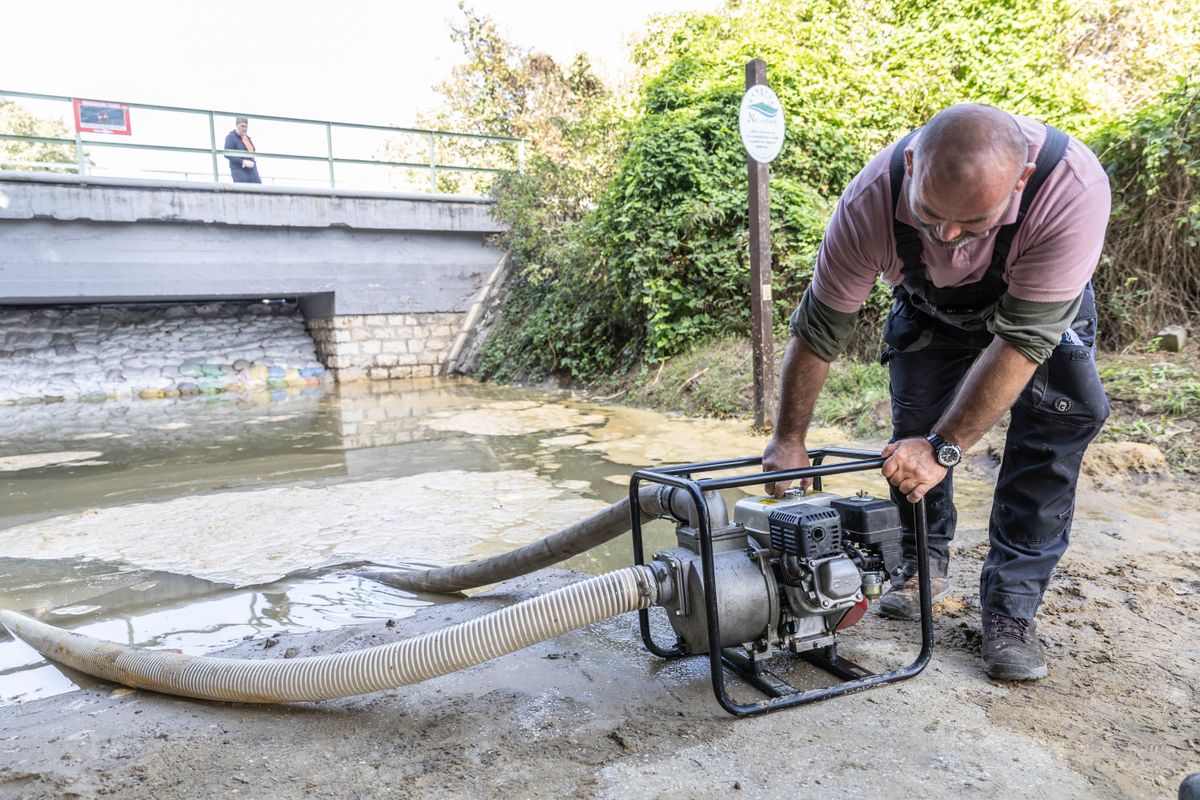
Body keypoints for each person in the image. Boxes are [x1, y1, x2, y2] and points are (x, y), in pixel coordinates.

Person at [762, 103, 1111, 681]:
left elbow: (1022, 341)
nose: (948, 238)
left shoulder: (1070, 188)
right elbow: (821, 328)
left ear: (1020, 181)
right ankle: (923, 564)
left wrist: (946, 447)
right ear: (911, 162)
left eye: (972, 224)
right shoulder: (871, 197)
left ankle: (1010, 609)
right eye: (928, 216)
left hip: (1034, 311)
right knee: (912, 431)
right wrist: (788, 438)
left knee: (1050, 438)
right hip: (929, 307)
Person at [223, 117, 261, 183]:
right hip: (240, 172)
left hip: (252, 172)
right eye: (242, 126)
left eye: (246, 127)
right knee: (244, 190)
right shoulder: (231, 137)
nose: (245, 129)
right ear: (237, 125)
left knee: (259, 189)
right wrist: (243, 161)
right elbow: (227, 154)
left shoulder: (247, 139)